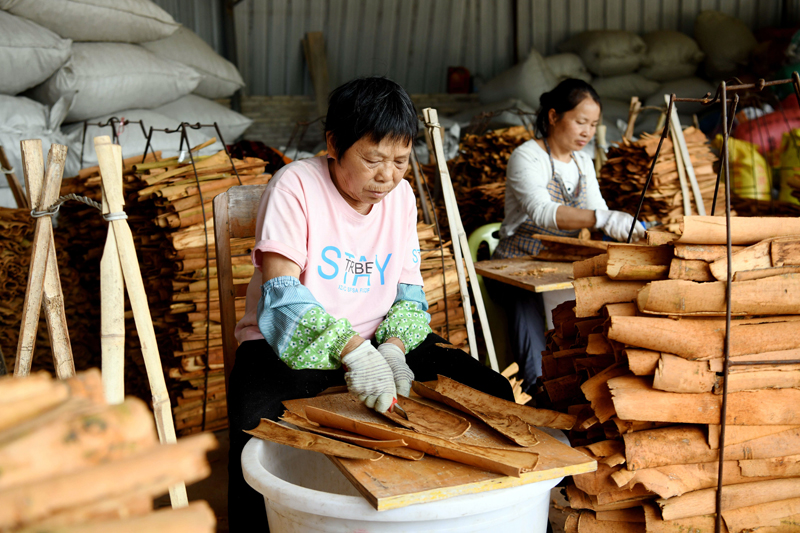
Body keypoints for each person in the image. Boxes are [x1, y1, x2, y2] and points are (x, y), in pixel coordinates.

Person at [227, 76, 514, 531]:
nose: (387, 175)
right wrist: (351, 351)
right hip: (288, 345)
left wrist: (395, 348)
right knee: (251, 431)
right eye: (372, 158)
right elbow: (281, 296)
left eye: (401, 160)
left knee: (492, 391)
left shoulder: (400, 197)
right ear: (334, 144)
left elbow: (409, 291)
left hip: (379, 342)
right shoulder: (295, 185)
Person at [491, 78, 645, 394]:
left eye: (593, 124)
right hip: (513, 264)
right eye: (580, 121)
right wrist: (602, 217)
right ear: (553, 116)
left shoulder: (583, 162)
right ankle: (538, 387)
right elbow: (543, 212)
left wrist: (626, 227)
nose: (587, 132)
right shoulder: (527, 156)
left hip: (558, 263)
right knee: (525, 296)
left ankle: (583, 382)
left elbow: (596, 210)